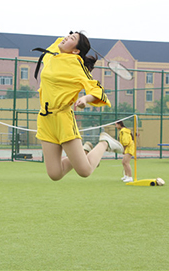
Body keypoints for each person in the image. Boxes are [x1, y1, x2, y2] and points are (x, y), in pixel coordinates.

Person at [33, 31, 124, 181]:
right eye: (68, 35)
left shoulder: (76, 64)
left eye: (72, 38)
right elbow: (60, 40)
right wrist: (73, 37)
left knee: (85, 171)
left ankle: (104, 143)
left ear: (76, 51)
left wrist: (85, 99)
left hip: (63, 119)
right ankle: (85, 151)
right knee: (55, 174)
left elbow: (97, 90)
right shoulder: (52, 54)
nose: (66, 38)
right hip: (45, 119)